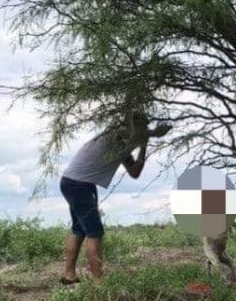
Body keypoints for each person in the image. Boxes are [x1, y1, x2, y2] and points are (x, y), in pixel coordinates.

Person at [59, 113, 171, 283]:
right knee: (94, 233)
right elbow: (131, 134)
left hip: (78, 183)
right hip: (78, 184)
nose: (144, 129)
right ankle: (99, 283)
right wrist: (153, 133)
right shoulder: (113, 134)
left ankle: (68, 276)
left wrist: (144, 145)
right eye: (141, 126)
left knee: (79, 229)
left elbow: (135, 172)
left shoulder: (123, 148)